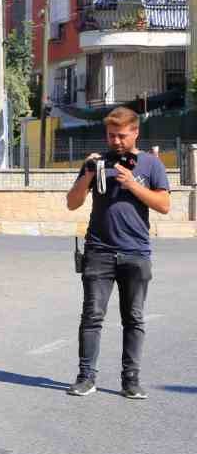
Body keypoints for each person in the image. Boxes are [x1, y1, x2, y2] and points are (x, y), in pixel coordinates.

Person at [64, 106, 170, 399]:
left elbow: (163, 205)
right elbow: (72, 203)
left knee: (133, 318)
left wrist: (133, 184)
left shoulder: (150, 165)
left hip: (136, 253)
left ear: (135, 132)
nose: (117, 141)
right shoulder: (96, 163)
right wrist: (86, 175)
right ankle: (86, 377)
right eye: (111, 136)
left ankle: (131, 380)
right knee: (91, 316)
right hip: (98, 251)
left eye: (122, 136)